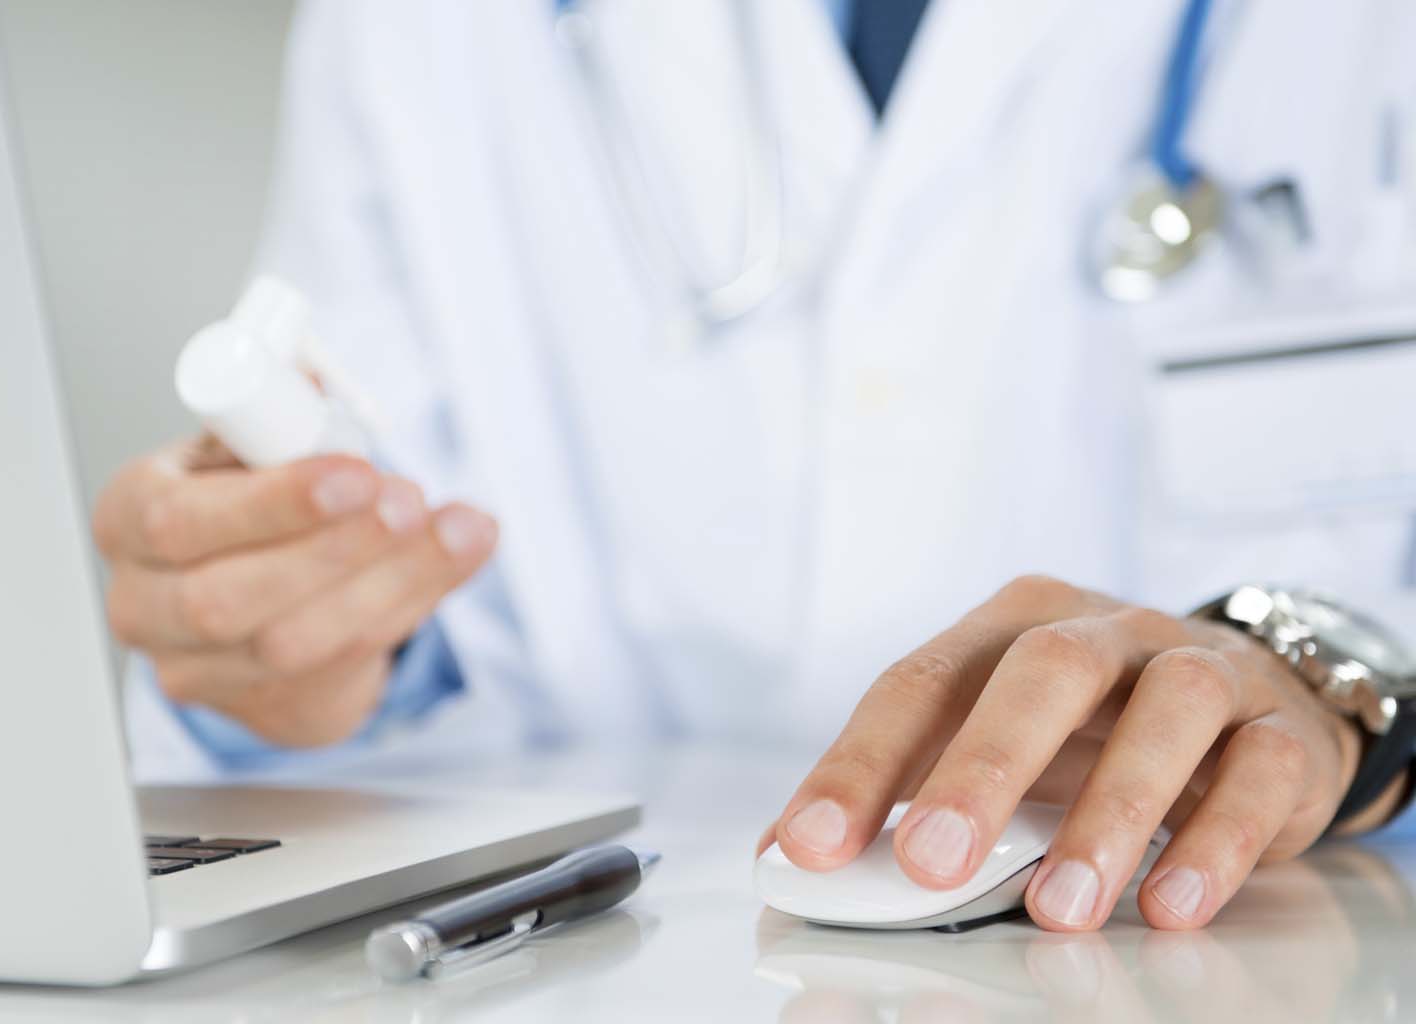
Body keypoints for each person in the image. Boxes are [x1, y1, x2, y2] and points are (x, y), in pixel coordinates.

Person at [96, 0, 1416, 931]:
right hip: (610, 953)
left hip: (1220, 952)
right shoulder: (423, 31)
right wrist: (281, 654)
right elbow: (391, 571)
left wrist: (1359, 708)